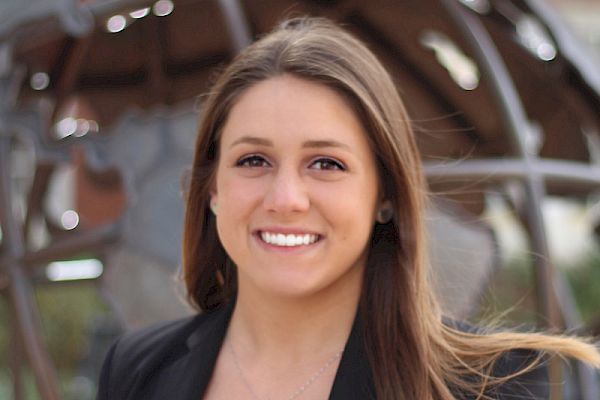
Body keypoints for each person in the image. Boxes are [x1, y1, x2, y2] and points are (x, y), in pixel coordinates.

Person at [97, 17, 600, 400]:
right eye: (254, 160)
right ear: (211, 190)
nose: (286, 199)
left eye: (325, 163)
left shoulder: (522, 384)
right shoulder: (138, 369)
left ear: (385, 194)